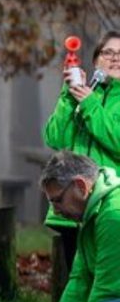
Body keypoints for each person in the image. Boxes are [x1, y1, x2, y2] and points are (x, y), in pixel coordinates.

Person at [23, 152, 120, 302]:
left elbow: (107, 289)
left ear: (80, 186)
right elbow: (79, 283)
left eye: (57, 200)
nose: (55, 210)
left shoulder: (113, 215)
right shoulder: (94, 213)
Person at [42, 30, 120, 270]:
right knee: (76, 280)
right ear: (96, 60)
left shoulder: (89, 101)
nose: (114, 58)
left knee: (106, 280)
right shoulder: (86, 94)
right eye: (108, 52)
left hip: (110, 208)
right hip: (73, 205)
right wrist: (68, 95)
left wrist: (89, 105)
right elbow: (55, 139)